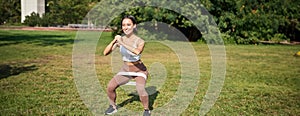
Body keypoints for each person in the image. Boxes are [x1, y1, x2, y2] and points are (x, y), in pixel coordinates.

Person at [103, 15, 150, 116]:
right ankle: (113, 107)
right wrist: (114, 41)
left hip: (139, 69)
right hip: (126, 68)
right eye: (123, 25)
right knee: (110, 87)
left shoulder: (140, 41)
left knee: (140, 89)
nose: (126, 27)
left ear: (134, 26)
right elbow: (105, 53)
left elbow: (136, 52)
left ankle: (146, 110)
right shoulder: (120, 39)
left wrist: (121, 43)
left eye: (129, 24)